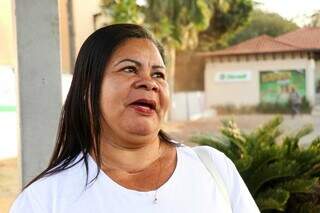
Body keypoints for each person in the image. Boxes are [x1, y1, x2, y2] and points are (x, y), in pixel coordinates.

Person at [10, 24, 259, 213]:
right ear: (88, 89)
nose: (149, 83)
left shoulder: (213, 169)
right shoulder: (44, 200)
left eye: (159, 74)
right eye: (129, 69)